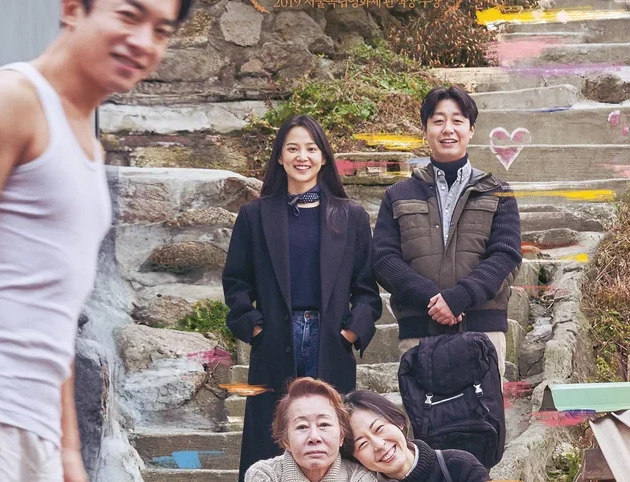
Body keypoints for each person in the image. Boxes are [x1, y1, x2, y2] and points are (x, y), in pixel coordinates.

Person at [0, 1, 193, 481]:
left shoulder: (86, 143)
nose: (143, 42)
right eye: (128, 15)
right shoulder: (13, 100)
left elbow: (54, 316)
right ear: (71, 9)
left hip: (34, 427)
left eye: (161, 30)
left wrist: (68, 450)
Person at [222, 114, 382, 479]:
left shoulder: (351, 216)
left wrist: (350, 333)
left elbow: (366, 289)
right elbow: (236, 282)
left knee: (329, 434)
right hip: (276, 337)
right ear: (280, 157)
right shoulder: (254, 216)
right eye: (292, 148)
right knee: (271, 435)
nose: (302, 157)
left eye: (311, 149)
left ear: (323, 157)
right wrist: (256, 328)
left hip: (330, 339)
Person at [371, 86, 522, 379]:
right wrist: (432, 298)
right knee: (422, 410)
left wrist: (460, 297)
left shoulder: (498, 192)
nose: (448, 129)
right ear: (425, 129)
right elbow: (384, 259)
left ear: (471, 129)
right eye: (438, 121)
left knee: (483, 410)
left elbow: (506, 255)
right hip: (419, 335)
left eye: (457, 120)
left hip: (483, 333)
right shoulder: (398, 194)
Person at [245, 378, 377, 482]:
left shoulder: (359, 478)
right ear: (286, 441)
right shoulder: (264, 474)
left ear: (341, 436)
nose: (314, 437)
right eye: (302, 427)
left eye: (324, 424)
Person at [343, 390, 489, 482]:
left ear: (398, 422)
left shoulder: (460, 466)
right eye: (362, 444)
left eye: (379, 428)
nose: (379, 445)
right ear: (356, 458)